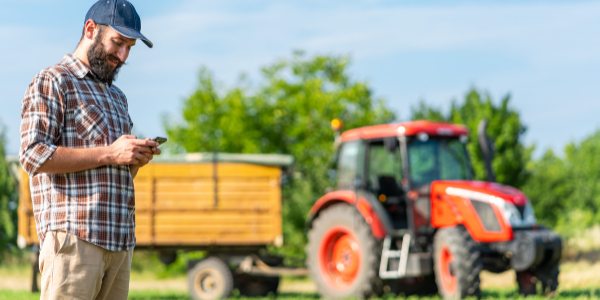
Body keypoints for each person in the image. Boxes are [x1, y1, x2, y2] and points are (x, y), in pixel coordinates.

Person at [19, 1, 159, 299]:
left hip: (119, 243)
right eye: (117, 42)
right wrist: (111, 153)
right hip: (75, 241)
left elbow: (111, 169)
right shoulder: (54, 81)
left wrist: (133, 160)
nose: (122, 56)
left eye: (129, 48)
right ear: (90, 29)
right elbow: (33, 154)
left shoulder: (117, 97)